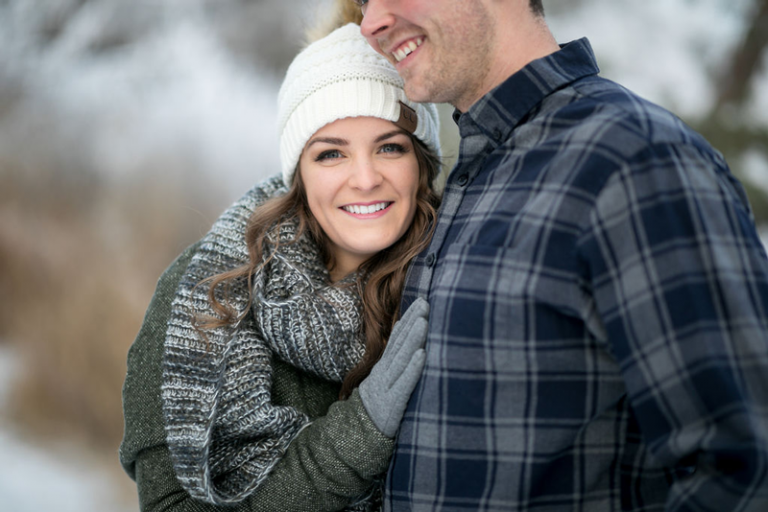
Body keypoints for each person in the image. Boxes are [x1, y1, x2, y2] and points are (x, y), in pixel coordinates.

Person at [352, 0, 768, 511]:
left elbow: (744, 468)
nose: (370, 24)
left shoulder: (633, 159)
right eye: (363, 1)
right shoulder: (463, 182)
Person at [119, 23, 444, 512]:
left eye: (390, 146)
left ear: (421, 162)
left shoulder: (449, 280)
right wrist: (359, 434)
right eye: (331, 153)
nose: (365, 178)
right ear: (299, 173)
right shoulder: (206, 290)